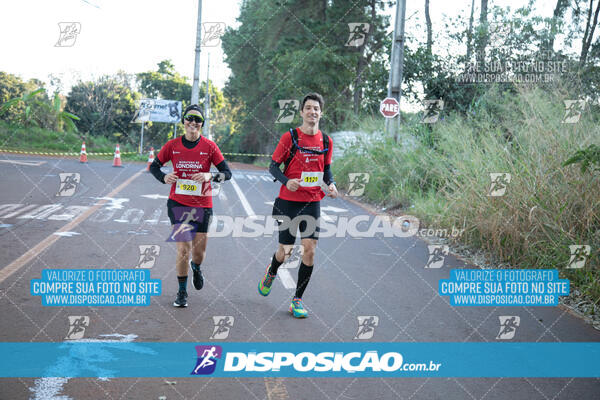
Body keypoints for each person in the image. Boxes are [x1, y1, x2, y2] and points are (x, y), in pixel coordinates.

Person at [258, 93, 338, 318]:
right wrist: (286, 181)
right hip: (288, 203)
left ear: (321, 113)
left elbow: (327, 169)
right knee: (286, 251)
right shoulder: (290, 137)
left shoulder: (326, 141)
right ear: (302, 112)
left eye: (316, 109)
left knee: (310, 251)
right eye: (309, 108)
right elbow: (273, 167)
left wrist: (331, 185)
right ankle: (272, 271)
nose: (313, 112)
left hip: (312, 202)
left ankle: (297, 300)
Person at [149, 104, 232, 308]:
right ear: (183, 121)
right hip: (178, 203)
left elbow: (227, 173)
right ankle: (182, 292)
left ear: (202, 124)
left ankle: (196, 267)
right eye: (189, 118)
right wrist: (164, 177)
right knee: (183, 249)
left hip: (203, 205)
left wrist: (209, 175)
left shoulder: (210, 147)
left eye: (197, 120)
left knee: (198, 252)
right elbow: (154, 166)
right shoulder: (173, 145)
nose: (193, 123)